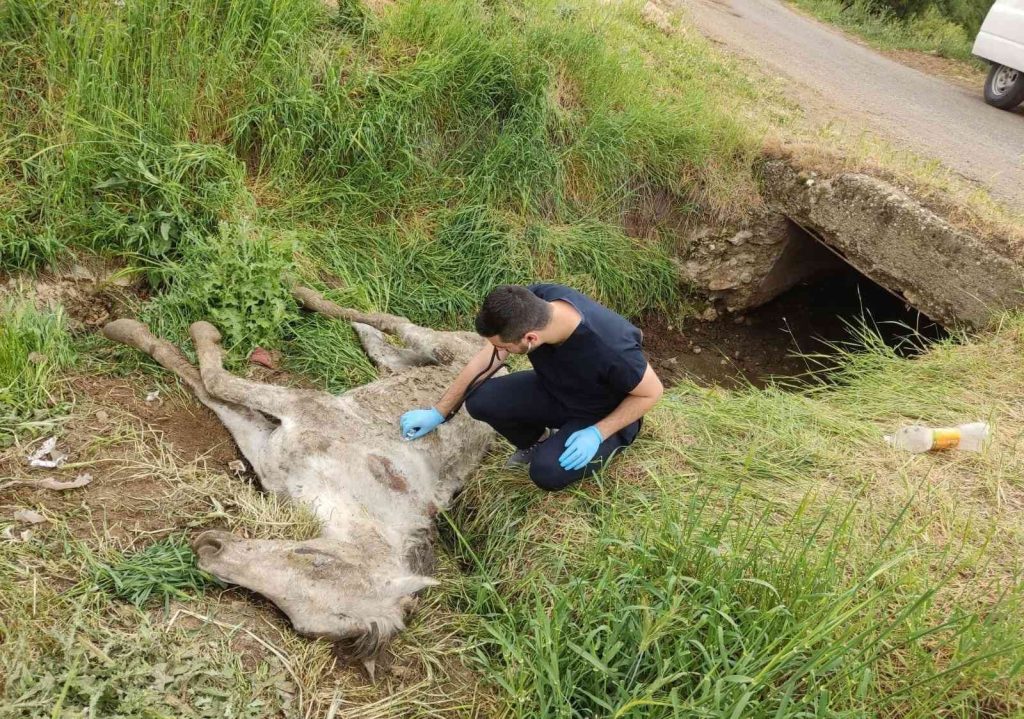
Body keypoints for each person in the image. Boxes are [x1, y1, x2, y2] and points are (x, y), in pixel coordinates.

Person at [399, 284, 664, 492]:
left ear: (530, 338)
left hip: (601, 413)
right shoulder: (533, 301)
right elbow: (487, 359)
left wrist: (598, 433)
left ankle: (593, 442)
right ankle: (538, 441)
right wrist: (439, 411)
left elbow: (652, 392)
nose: (499, 351)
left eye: (504, 347)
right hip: (556, 388)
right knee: (481, 400)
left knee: (546, 472)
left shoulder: (611, 347)